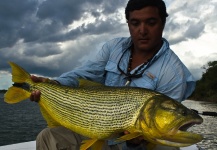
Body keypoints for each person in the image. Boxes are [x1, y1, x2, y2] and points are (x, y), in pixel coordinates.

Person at [30, 0, 195, 149]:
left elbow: (162, 130)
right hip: (101, 132)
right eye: (135, 23)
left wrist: (137, 141)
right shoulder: (113, 48)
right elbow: (84, 74)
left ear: (163, 23)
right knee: (48, 137)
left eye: (151, 23)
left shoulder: (174, 74)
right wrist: (55, 84)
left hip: (139, 145)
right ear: (128, 24)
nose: (142, 30)